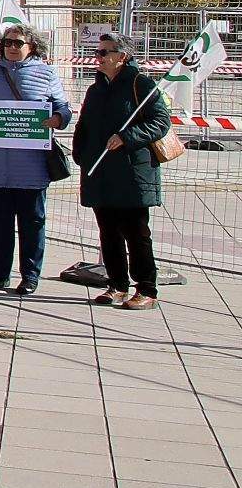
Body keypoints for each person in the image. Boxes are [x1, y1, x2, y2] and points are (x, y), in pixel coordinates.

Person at [0, 21, 73, 295]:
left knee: (32, 222)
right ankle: (0, 273)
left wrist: (58, 118)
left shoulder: (46, 74)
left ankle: (30, 276)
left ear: (32, 47)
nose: (12, 48)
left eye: (18, 43)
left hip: (31, 165)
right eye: (8, 43)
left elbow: (63, 107)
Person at [74, 32, 172, 310]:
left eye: (105, 52)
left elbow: (159, 122)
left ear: (122, 57)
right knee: (108, 231)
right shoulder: (96, 89)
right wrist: (80, 151)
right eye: (98, 51)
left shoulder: (141, 85)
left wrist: (128, 137)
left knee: (136, 232)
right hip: (100, 169)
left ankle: (146, 289)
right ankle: (116, 285)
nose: (99, 57)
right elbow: (85, 124)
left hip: (132, 172)